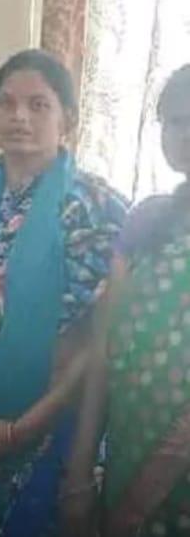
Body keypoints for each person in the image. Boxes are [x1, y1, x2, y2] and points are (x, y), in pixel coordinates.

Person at [0, 49, 127, 537]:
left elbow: (100, 340)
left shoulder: (98, 209)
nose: (19, 117)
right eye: (6, 103)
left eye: (38, 105)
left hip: (54, 438)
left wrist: (19, 431)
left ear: (67, 119)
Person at [64, 65, 190, 537]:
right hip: (128, 451)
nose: (184, 132)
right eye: (174, 120)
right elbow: (104, 351)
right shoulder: (145, 222)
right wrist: (80, 472)